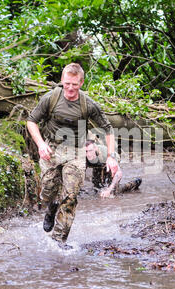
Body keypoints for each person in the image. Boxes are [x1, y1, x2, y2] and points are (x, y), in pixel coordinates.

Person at [26, 63, 118, 248]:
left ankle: (59, 240)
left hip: (76, 152)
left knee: (70, 196)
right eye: (67, 83)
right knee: (48, 190)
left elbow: (108, 129)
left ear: (81, 83)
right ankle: (51, 207)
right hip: (51, 149)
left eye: (74, 84)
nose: (70, 88)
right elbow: (31, 121)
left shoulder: (88, 104)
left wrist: (111, 156)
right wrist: (41, 144)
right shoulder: (51, 97)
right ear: (62, 80)